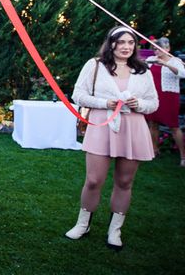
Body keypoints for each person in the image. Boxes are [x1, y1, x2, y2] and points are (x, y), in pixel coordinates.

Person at [65, 26, 158, 250]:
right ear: (111, 43)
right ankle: (83, 224)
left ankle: (115, 230)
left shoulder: (143, 70)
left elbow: (153, 103)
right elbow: (78, 94)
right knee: (94, 179)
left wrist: (140, 104)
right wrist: (105, 103)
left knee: (125, 182)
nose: (126, 47)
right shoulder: (95, 65)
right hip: (103, 126)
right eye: (121, 42)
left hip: (132, 128)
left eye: (131, 43)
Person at [144, 37, 185, 165]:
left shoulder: (175, 61)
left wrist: (166, 64)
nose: (156, 51)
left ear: (168, 48)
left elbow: (183, 74)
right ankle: (154, 151)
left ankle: (183, 157)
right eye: (155, 49)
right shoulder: (151, 60)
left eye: (159, 48)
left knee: (174, 126)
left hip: (169, 96)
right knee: (153, 123)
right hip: (153, 95)